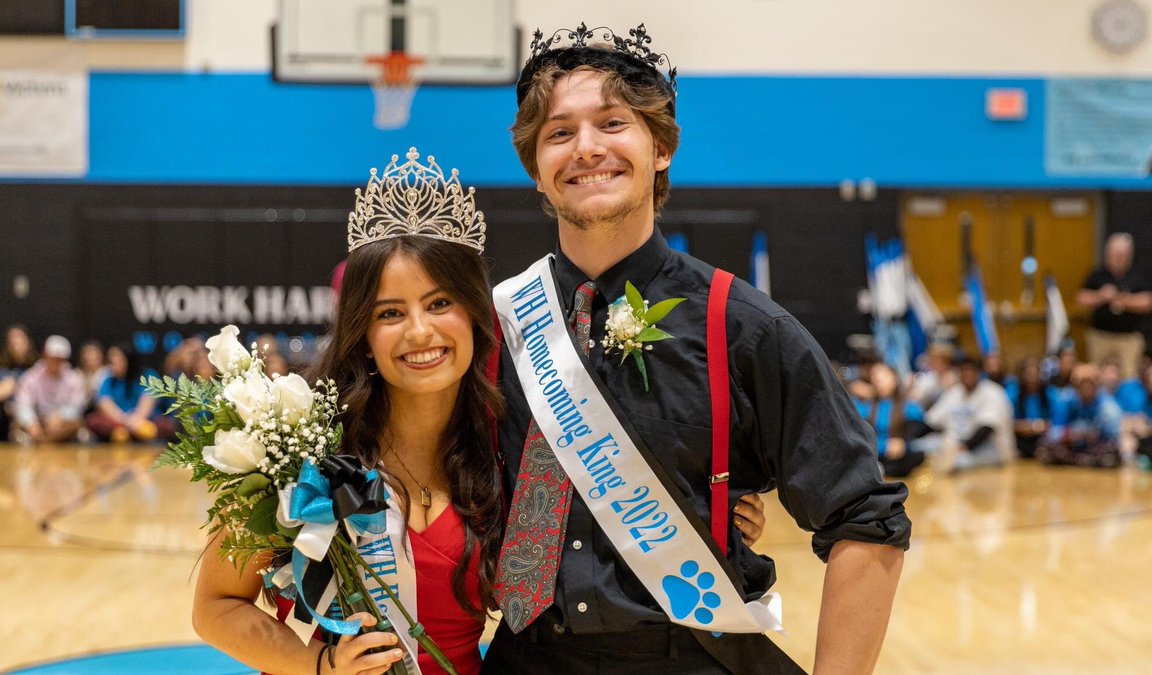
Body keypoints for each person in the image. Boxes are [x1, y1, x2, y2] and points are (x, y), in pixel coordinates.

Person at [192, 150, 770, 675]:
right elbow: (215, 606)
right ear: (362, 335)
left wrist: (713, 513)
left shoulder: (510, 445)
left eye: (440, 303)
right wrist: (318, 664)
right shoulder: (305, 447)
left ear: (475, 316)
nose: (420, 331)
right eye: (390, 313)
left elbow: (594, 531)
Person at [484, 23, 909, 675]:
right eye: (559, 133)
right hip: (526, 657)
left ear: (660, 148)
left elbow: (865, 516)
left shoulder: (744, 326)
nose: (587, 148)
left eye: (612, 124)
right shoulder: (497, 326)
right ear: (536, 171)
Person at [1076, 233, 1152, 379]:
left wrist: (1123, 300)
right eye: (1115, 254)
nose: (1119, 258)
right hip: (1100, 336)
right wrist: (1101, 296)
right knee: (1095, 375)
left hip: (1128, 338)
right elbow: (1081, 298)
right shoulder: (1097, 275)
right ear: (1107, 254)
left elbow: (1147, 301)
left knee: (1129, 377)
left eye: (1122, 255)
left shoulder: (1138, 275)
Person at [921, 355, 1015, 473]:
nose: (967, 375)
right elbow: (930, 421)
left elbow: (986, 429)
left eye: (970, 371)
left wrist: (961, 449)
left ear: (979, 373)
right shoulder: (954, 392)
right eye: (963, 371)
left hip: (989, 447)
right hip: (957, 442)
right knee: (919, 446)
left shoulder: (993, 392)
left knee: (956, 462)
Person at [84, 344, 176, 442]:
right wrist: (124, 420)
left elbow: (149, 400)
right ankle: (126, 433)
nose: (111, 362)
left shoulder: (148, 375)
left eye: (115, 358)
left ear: (128, 359)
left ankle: (133, 433)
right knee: (93, 420)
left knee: (167, 425)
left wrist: (136, 419)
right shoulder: (108, 379)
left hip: (145, 420)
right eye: (110, 360)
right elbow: (104, 402)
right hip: (118, 422)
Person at [13, 335, 88, 444]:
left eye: (59, 358)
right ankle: (46, 439)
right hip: (38, 421)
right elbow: (23, 404)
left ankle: (41, 441)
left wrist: (61, 416)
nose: (56, 362)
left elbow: (78, 406)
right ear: (45, 355)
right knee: (17, 424)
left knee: (77, 423)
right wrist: (31, 422)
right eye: (53, 357)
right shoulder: (31, 376)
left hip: (62, 424)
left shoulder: (74, 378)